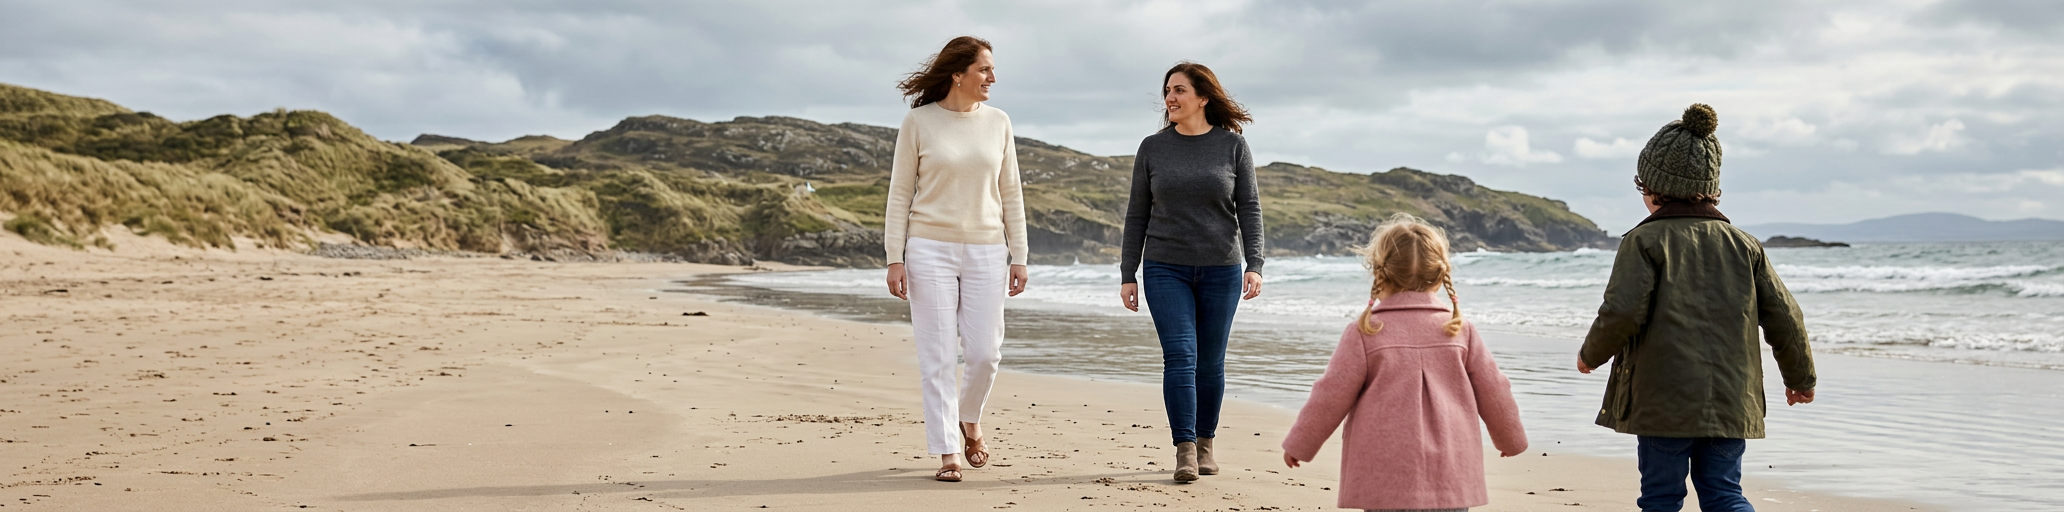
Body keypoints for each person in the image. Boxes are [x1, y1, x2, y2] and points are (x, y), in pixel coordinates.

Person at [1577, 103, 1817, 511]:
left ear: (1651, 188)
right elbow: (1785, 318)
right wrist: (1801, 377)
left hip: (1662, 402)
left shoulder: (1644, 241)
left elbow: (1622, 311)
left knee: (1661, 497)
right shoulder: (1744, 245)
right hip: (1731, 399)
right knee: (1724, 493)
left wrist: (1590, 355)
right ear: (1712, 188)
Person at [1281, 213, 1528, 511]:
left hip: (1384, 472)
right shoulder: (1459, 330)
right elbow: (1494, 389)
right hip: (1449, 471)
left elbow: (1331, 394)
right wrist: (1510, 439)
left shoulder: (1366, 331)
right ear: (1440, 274)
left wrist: (1300, 444)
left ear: (1380, 272)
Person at [883, 35, 1030, 483]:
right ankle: (947, 450)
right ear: (958, 74)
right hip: (929, 249)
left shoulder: (999, 122)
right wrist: (895, 257)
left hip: (988, 249)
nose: (992, 77)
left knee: (985, 354)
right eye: (984, 69)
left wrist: (1019, 255)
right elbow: (900, 194)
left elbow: (1011, 194)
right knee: (939, 356)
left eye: (992, 69)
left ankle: (970, 418)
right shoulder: (918, 123)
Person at [1117, 61, 1264, 483]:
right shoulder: (1152, 147)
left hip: (1221, 268)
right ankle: (1184, 449)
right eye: (1167, 91)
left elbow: (1249, 208)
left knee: (1211, 363)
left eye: (1179, 90)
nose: (1170, 98)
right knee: (1181, 356)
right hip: (1165, 267)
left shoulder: (1233, 146)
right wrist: (1129, 272)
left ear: (1203, 97)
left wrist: (1255, 264)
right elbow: (1137, 213)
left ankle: (1205, 444)